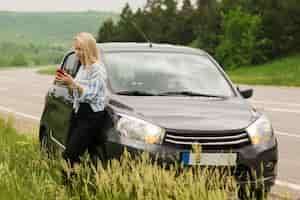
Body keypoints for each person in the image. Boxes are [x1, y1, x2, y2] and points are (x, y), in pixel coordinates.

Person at [55, 32, 108, 168]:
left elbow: (92, 95)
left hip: (91, 116)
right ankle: (73, 185)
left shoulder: (97, 69)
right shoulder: (83, 68)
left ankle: (68, 185)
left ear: (88, 49)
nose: (77, 53)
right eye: (76, 49)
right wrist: (67, 83)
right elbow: (78, 93)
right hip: (78, 112)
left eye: (80, 49)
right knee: (73, 154)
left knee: (69, 156)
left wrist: (73, 84)